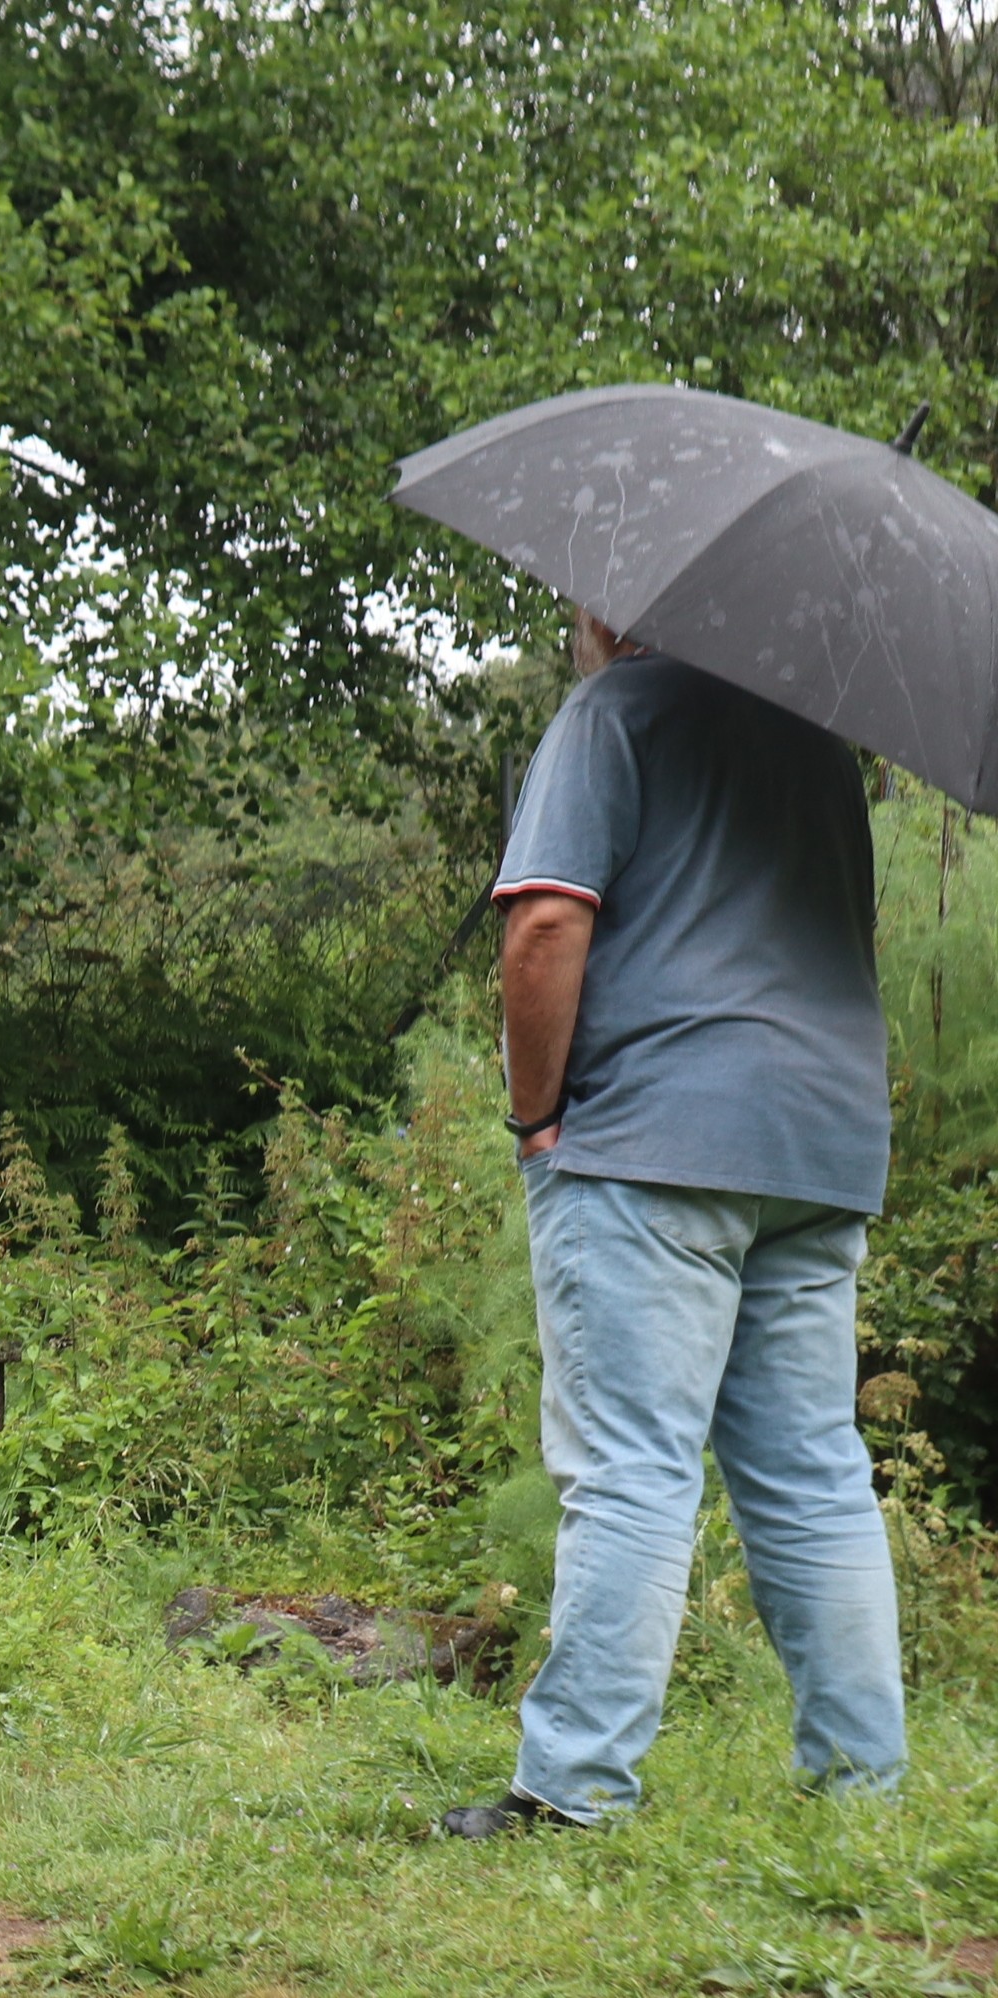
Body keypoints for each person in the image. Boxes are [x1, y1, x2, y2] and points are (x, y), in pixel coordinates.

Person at [439, 608, 905, 1837]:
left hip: (655, 1143)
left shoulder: (612, 717)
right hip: (821, 1144)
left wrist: (536, 1119)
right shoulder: (817, 748)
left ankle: (575, 1788)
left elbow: (544, 920)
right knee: (812, 1471)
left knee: (632, 1465)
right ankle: (865, 1785)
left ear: (611, 613)